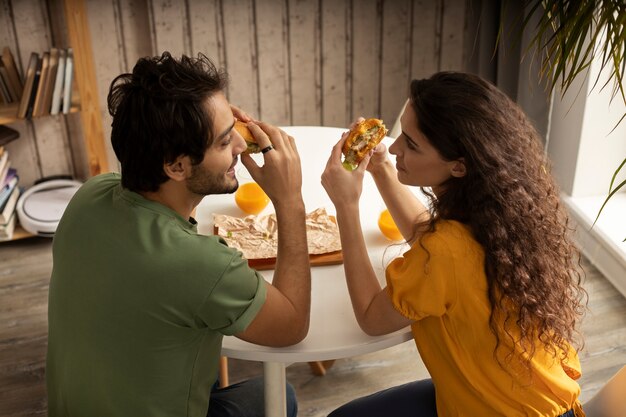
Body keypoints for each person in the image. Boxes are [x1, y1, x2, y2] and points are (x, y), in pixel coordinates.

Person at [46, 52, 311, 417]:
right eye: (222, 141)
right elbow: (292, 325)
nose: (238, 146)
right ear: (175, 165)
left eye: (233, 127)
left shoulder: (88, 196)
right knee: (279, 395)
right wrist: (290, 200)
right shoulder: (204, 266)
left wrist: (214, 122)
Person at [321, 72, 587, 417]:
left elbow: (372, 318)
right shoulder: (498, 215)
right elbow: (429, 237)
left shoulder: (445, 251)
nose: (396, 146)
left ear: (459, 166)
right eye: (402, 133)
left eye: (412, 145)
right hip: (533, 398)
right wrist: (383, 166)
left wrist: (346, 206)